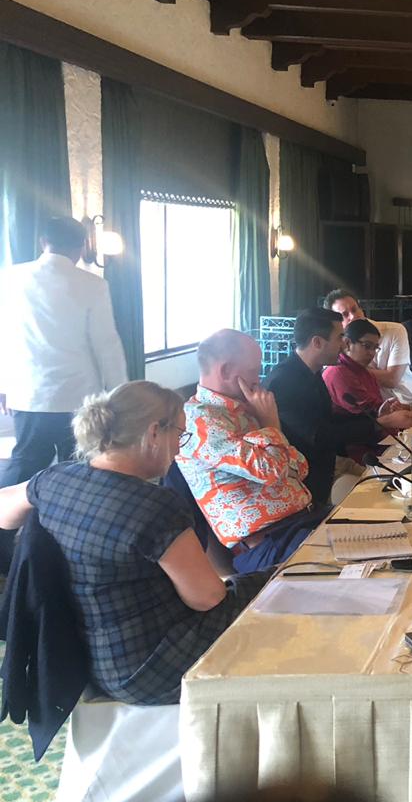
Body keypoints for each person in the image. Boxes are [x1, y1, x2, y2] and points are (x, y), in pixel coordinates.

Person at [0, 381, 265, 705]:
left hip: (86, 660)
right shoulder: (155, 506)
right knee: (273, 584)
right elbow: (207, 598)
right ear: (154, 432)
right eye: (180, 435)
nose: (179, 449)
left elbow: (4, 513)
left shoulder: (53, 479)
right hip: (153, 668)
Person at [177, 330, 326, 573]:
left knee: (382, 537)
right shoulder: (199, 420)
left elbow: (300, 468)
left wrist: (269, 430)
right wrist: (271, 424)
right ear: (226, 371)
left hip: (303, 521)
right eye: (254, 371)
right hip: (270, 544)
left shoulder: (246, 408)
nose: (259, 379)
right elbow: (273, 471)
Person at [0, 215, 127, 488]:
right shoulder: (93, 285)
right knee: (78, 467)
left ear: (42, 242)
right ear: (82, 246)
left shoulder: (10, 277)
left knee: (25, 464)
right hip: (78, 395)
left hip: (29, 393)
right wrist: (120, 392)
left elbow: (4, 334)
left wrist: (4, 386)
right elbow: (106, 343)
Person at [267, 308, 412, 507]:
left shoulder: (311, 372)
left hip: (326, 467)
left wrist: (376, 417)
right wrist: (380, 422)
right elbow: (319, 436)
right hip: (303, 483)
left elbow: (331, 419)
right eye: (340, 337)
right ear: (317, 342)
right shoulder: (285, 381)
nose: (343, 344)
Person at [322, 319, 412, 461]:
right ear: (347, 343)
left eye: (375, 348)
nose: (372, 353)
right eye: (367, 346)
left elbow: (381, 410)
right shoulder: (338, 373)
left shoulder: (364, 371)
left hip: (381, 442)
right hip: (361, 453)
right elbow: (373, 414)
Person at [324, 289, 412, 406]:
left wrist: (350, 368)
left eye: (354, 309)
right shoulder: (334, 343)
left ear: (361, 309)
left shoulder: (395, 331)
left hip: (408, 400)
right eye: (344, 315)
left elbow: (391, 380)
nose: (353, 316)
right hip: (372, 407)